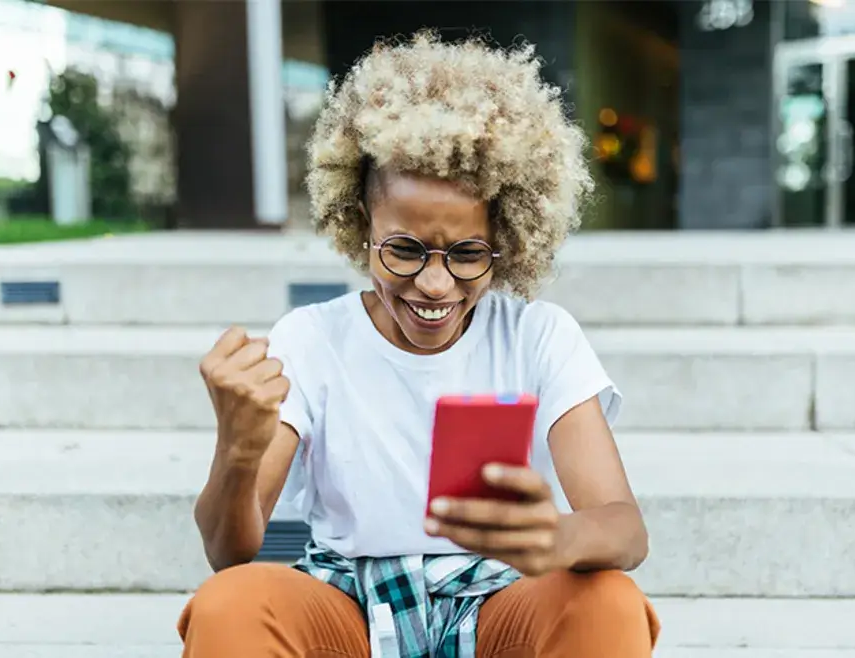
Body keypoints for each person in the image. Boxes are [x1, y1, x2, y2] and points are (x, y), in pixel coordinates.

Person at [179, 31, 660, 658]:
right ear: (361, 225)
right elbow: (229, 552)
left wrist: (559, 537)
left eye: (467, 253)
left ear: (506, 238)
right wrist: (238, 450)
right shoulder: (312, 338)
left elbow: (626, 530)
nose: (435, 284)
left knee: (609, 602)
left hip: (498, 601)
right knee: (230, 604)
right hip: (350, 603)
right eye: (404, 250)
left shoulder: (538, 336)